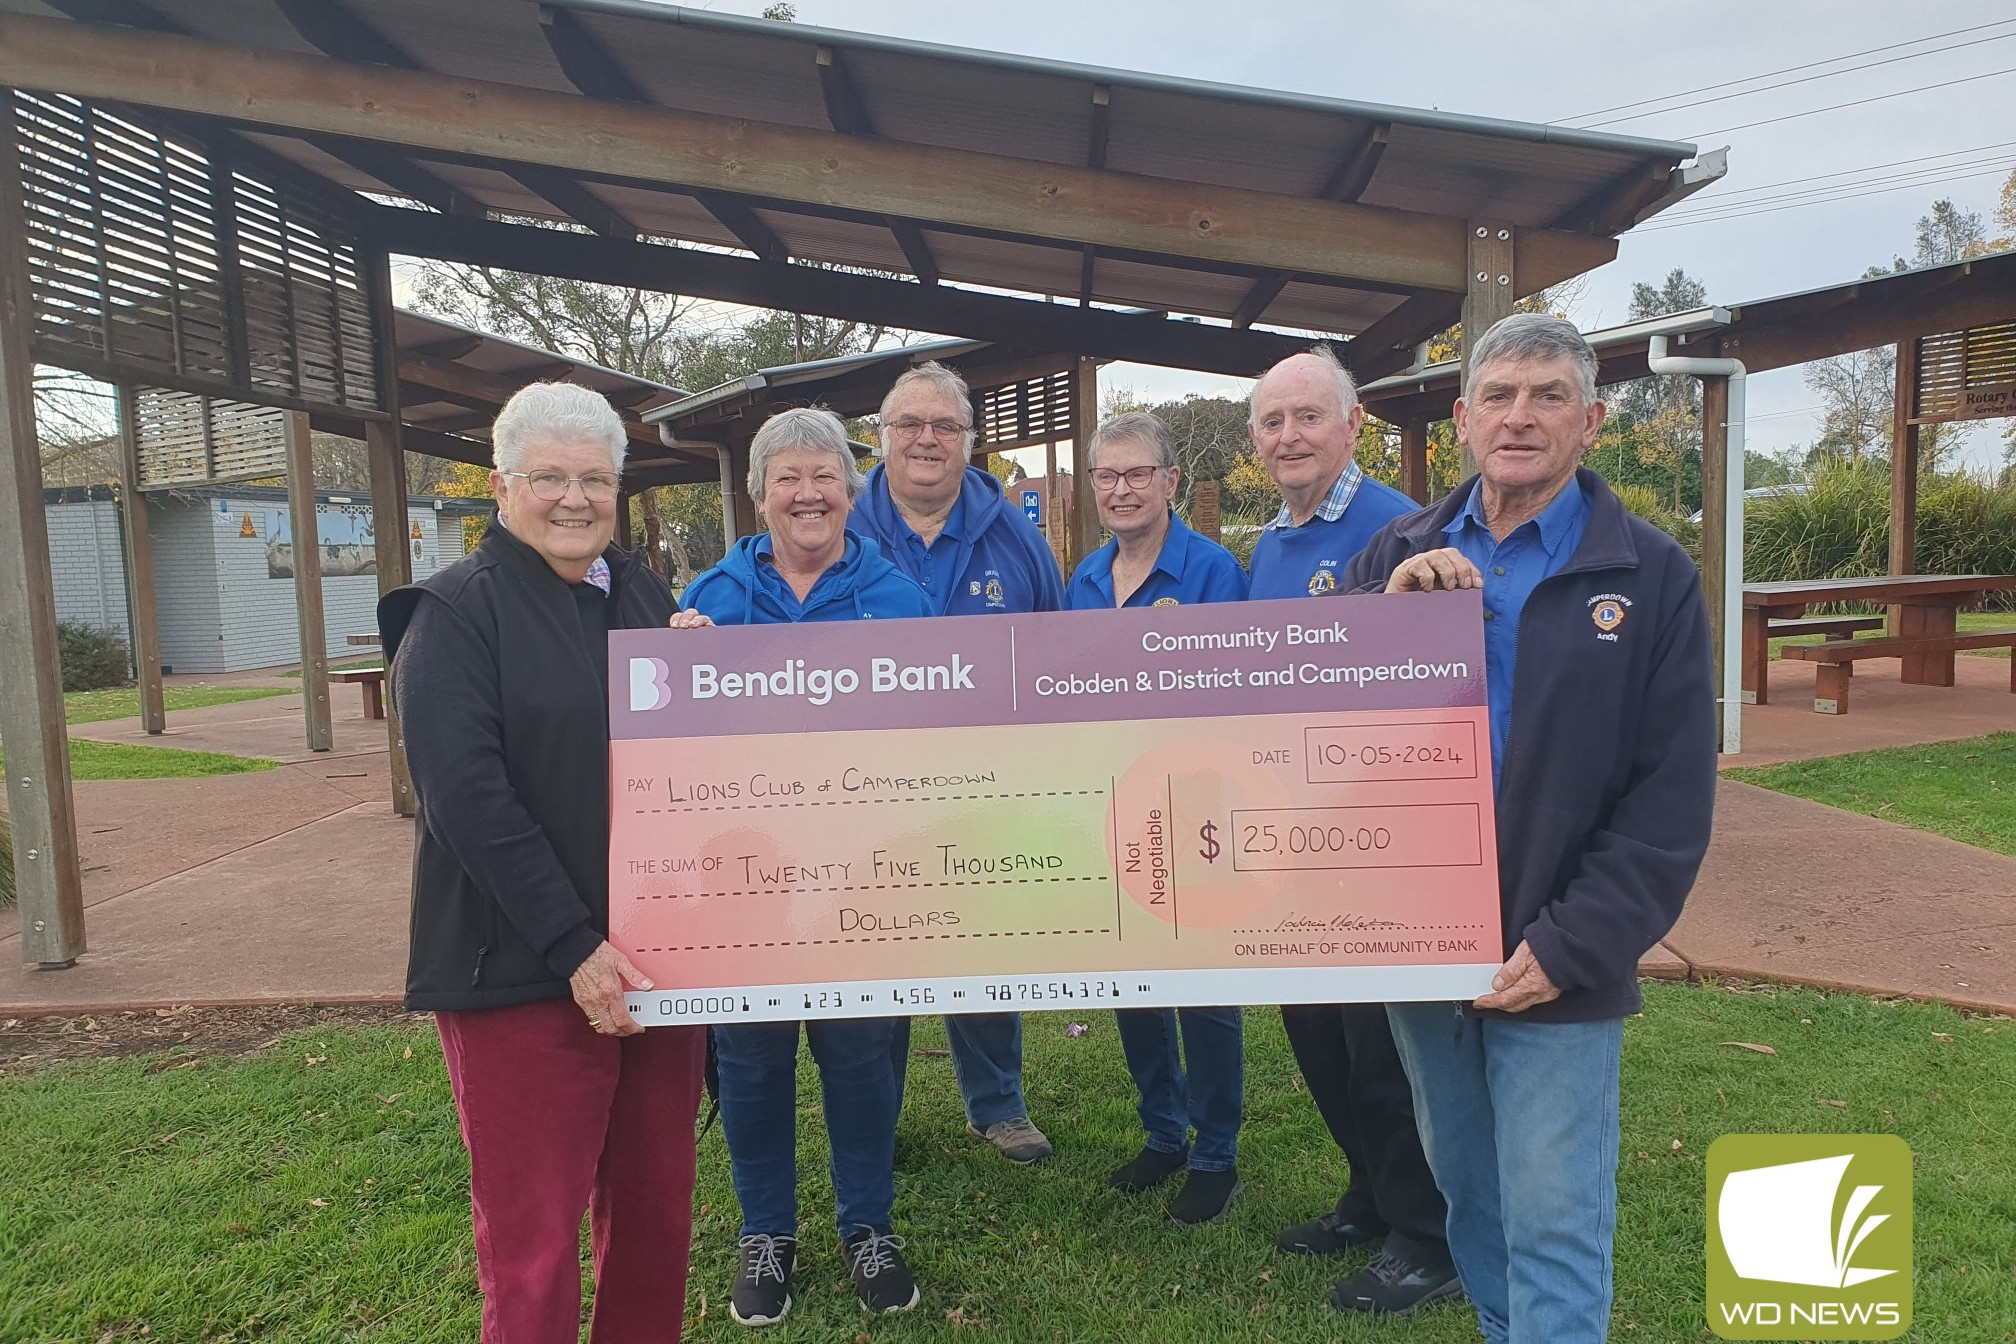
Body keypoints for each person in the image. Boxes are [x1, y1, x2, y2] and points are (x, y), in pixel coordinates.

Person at [1345, 314, 1717, 1344]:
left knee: (1555, 1226)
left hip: (1558, 954)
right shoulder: (1400, 550)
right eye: (1499, 395)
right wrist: (1388, 617)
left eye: (1548, 395)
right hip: (1424, 955)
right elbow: (1319, 744)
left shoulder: (1650, 578)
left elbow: (1671, 798)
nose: (1521, 415)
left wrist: (1570, 945)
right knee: (1473, 1202)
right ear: (1462, 419)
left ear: (1592, 420)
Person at [379, 381, 706, 1344]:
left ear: (619, 487)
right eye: (550, 478)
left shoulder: (644, 593)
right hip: (522, 971)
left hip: (658, 964)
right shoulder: (454, 615)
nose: (575, 498)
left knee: (654, 1219)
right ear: (500, 485)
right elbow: (468, 802)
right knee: (533, 1244)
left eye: (595, 479)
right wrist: (574, 945)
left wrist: (712, 679)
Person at [675, 407, 933, 1328]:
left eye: (825, 475)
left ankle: (869, 1227)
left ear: (852, 492)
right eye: (788, 477)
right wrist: (677, 668)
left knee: (860, 1054)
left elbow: (940, 734)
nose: (808, 493)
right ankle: (767, 1234)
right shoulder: (710, 598)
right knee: (751, 1055)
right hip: (744, 877)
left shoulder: (901, 599)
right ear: (758, 494)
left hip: (856, 871)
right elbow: (670, 742)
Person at [1246, 347, 1459, 1315]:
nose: (1288, 437)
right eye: (1270, 422)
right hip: (1288, 835)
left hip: (1373, 840)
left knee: (1383, 1052)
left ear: (1352, 423)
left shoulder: (1402, 530)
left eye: (1306, 417)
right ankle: (1369, 1197)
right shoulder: (1268, 547)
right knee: (1320, 1040)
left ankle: (1428, 1236)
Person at [850, 360, 1064, 1166]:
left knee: (983, 943)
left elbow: (1055, 654)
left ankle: (998, 1104)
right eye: (910, 424)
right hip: (868, 789)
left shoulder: (1017, 536)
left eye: (946, 426)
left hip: (987, 785)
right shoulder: (841, 522)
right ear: (882, 437)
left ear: (972, 443)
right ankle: (876, 1109)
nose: (928, 440)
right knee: (879, 944)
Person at [1063, 410, 1249, 1223]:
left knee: (1206, 990)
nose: (1123, 488)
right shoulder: (1080, 582)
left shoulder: (1213, 572)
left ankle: (1216, 1153)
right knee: (1134, 982)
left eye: (1139, 474)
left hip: (1197, 809)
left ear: (1171, 481)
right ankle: (1164, 1134)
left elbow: (1238, 696)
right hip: (1115, 809)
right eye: (1109, 476)